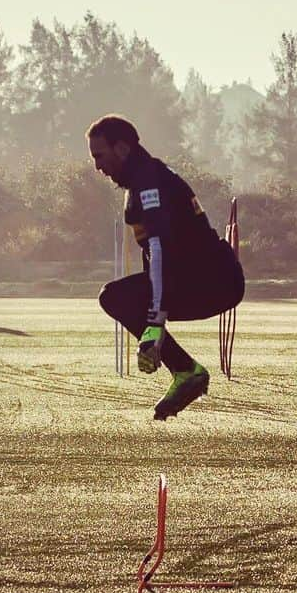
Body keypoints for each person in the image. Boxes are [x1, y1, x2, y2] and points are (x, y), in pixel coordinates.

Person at [89, 114, 244, 421]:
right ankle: (186, 371)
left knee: (115, 297)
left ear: (121, 149)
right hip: (197, 278)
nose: (97, 166)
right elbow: (156, 257)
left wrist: (155, 321)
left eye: (100, 156)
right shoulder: (143, 178)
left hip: (215, 280)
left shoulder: (148, 183)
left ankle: (186, 371)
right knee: (119, 297)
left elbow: (160, 251)